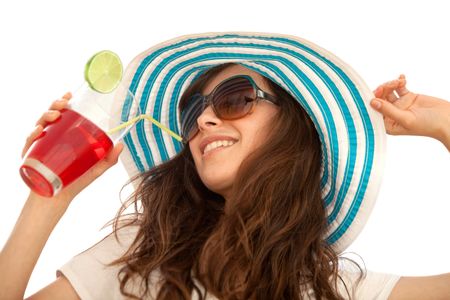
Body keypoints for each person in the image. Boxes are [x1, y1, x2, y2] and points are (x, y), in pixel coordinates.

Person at [1, 32, 449, 300]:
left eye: (235, 98)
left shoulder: (332, 289)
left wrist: (444, 125)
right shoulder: (141, 259)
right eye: (192, 111)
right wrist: (48, 198)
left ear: (293, 127)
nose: (203, 119)